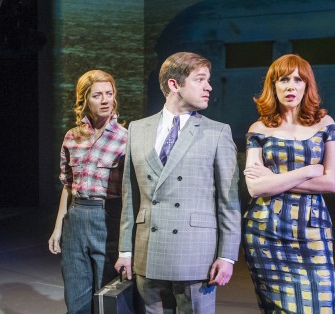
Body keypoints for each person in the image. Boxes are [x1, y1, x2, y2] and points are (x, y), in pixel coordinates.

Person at [115, 51, 241, 314]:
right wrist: (125, 250)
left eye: (208, 80)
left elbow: (229, 202)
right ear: (174, 84)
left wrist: (227, 256)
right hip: (148, 250)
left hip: (196, 254)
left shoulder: (217, 132)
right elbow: (130, 198)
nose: (209, 87)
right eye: (200, 79)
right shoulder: (137, 130)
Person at [242, 54, 335, 314]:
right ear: (272, 86)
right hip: (266, 232)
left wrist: (273, 180)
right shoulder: (258, 129)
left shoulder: (326, 124)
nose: (291, 86)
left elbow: (332, 183)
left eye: (298, 80)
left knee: (321, 306)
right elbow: (256, 188)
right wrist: (310, 170)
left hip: (312, 231)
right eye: (283, 80)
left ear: (307, 85)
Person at [48, 70, 127, 314]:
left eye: (109, 94)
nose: (105, 100)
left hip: (108, 218)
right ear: (84, 100)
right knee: (75, 295)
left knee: (106, 293)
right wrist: (59, 227)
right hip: (76, 217)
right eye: (97, 95)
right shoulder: (72, 136)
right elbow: (67, 184)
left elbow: (132, 194)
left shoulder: (126, 139)